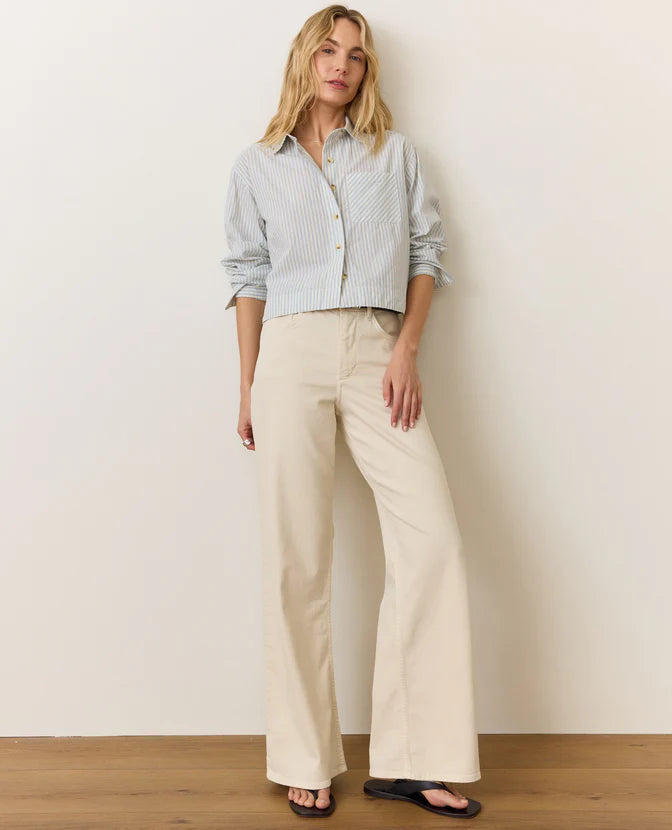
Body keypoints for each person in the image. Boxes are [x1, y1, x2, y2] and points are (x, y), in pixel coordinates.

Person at [220, 4, 482, 820]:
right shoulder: (256, 165)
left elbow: (427, 255)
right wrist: (248, 383)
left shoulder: (393, 154)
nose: (341, 65)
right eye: (328, 50)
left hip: (377, 349)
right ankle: (305, 756)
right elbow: (248, 275)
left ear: (368, 71)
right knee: (296, 556)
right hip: (288, 355)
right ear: (305, 58)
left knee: (431, 538)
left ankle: (413, 758)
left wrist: (406, 349)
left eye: (356, 56)